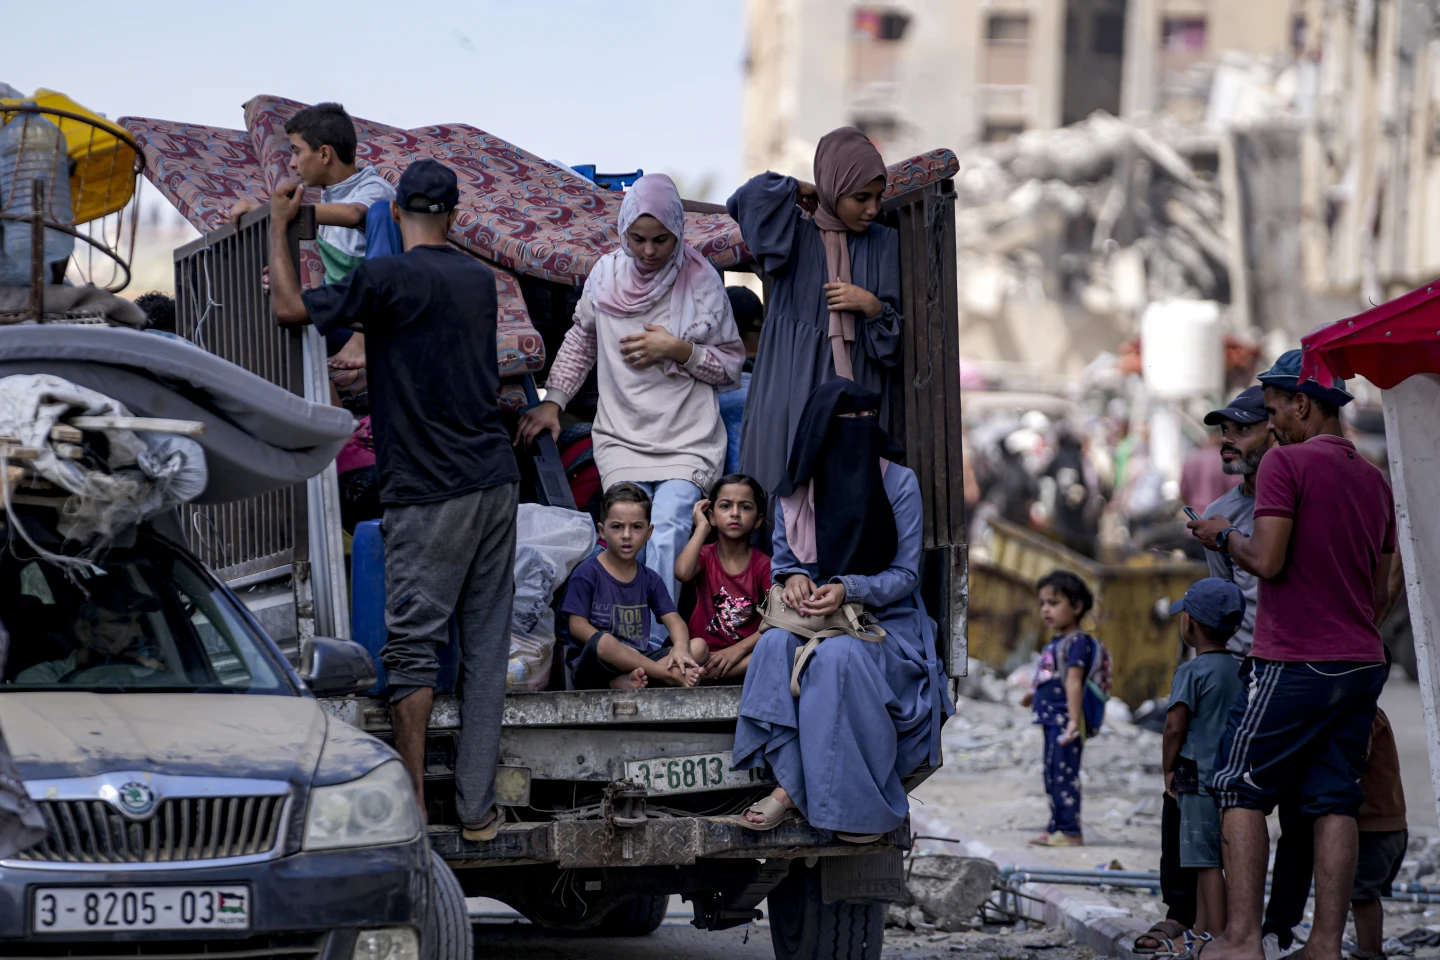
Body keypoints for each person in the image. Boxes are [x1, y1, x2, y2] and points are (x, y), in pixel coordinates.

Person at [266, 159, 519, 844]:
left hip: (430, 489)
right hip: (496, 480)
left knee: (411, 649)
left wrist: (281, 229)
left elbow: (290, 311)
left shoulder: (384, 278)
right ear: (456, 217)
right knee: (487, 650)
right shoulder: (478, 279)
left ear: (395, 211)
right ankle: (477, 811)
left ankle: (410, 802)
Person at [1188, 350, 1396, 960]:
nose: (1271, 421)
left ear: (1303, 402)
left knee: (1238, 786)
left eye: (1275, 407)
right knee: (1334, 799)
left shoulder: (1286, 465)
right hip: (1361, 660)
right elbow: (1382, 587)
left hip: (1293, 659)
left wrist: (1221, 534)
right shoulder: (1373, 477)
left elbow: (1268, 559)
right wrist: (1350, 630)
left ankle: (1243, 941)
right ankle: (1325, 947)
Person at [517, 174, 744, 646]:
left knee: (667, 530)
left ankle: (653, 645)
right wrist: (554, 402)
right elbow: (582, 338)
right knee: (626, 533)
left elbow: (729, 367)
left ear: (679, 233)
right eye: (637, 239)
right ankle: (622, 644)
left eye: (661, 239)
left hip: (688, 439)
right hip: (621, 437)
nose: (649, 250)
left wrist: (679, 349)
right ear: (622, 233)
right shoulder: (605, 275)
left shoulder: (701, 281)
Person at [731, 380, 950, 842]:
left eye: (867, 422)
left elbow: (904, 575)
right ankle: (792, 780)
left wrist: (848, 587)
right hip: (811, 615)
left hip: (884, 621)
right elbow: (786, 563)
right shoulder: (795, 489)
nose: (860, 432)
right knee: (773, 646)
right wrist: (792, 579)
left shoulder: (897, 481)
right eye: (848, 423)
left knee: (835, 659)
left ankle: (818, 801)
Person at [727, 127, 903, 499]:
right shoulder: (795, 233)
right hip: (790, 380)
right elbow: (747, 200)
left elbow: (890, 344)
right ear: (833, 188)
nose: (873, 208)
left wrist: (869, 305)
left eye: (877, 197)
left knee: (844, 496)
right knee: (782, 479)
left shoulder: (884, 243)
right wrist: (799, 188)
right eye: (860, 197)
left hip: (854, 384)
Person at [227, 102, 396, 375]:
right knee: (276, 319)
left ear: (325, 154)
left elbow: (354, 214)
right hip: (343, 314)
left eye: (296, 151)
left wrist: (269, 212)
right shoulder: (326, 200)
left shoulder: (374, 188)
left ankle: (364, 336)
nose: (292, 163)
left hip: (376, 316)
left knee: (381, 215)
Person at [1163, 579, 1247, 944]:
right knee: (1211, 850)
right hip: (1231, 770)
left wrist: (1167, 767)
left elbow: (1173, 726)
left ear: (1190, 624)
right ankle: (1199, 927)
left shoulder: (1190, 672)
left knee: (1202, 856)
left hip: (1190, 770)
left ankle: (1216, 934)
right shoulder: (1241, 669)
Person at [561, 483, 708, 690]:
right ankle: (665, 675)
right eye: (617, 526)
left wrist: (681, 650)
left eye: (636, 527)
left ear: (649, 532)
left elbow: (675, 621)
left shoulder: (650, 578)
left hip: (639, 659)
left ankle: (631, 680)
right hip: (597, 663)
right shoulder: (587, 573)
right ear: (602, 531)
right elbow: (576, 626)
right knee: (604, 642)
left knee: (698, 647)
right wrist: (619, 650)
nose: (627, 535)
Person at [1021, 570, 1098, 848]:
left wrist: (1074, 721)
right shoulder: (1056, 642)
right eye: (1042, 603)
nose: (1045, 610)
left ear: (1076, 607)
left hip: (1066, 721)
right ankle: (1056, 827)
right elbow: (1045, 673)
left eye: (1053, 603)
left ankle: (1070, 831)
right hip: (1052, 720)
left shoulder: (1078, 642)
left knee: (1065, 776)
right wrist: (1031, 694)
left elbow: (1074, 682)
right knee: (1052, 773)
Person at [674, 473, 771, 682]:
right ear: (711, 516)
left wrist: (736, 650)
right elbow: (682, 573)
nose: (735, 513)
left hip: (740, 658)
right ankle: (705, 673)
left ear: (758, 520)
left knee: (774, 651)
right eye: (725, 506)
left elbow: (776, 620)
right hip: (701, 654)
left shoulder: (764, 565)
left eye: (745, 507)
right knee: (692, 649)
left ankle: (708, 676)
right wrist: (701, 528)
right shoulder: (705, 555)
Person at [16, 587, 167, 685]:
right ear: (84, 631)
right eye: (122, 622)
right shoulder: (43, 679)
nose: (137, 633)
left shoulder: (154, 676)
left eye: (139, 622)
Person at [1351, 703, 1407, 960]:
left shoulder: (1362, 714)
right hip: (1390, 825)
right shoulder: (1373, 711)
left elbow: (1354, 762)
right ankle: (1373, 951)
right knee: (1367, 895)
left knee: (1361, 895)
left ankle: (1368, 952)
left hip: (1375, 828)